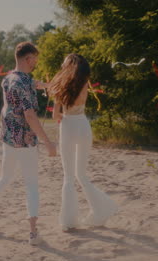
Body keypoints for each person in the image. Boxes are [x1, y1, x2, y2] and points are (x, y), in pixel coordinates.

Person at [0, 42, 56, 246]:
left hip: (8, 136)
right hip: (25, 139)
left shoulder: (9, 78)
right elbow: (29, 114)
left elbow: (30, 84)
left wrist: (45, 85)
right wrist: (48, 142)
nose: (35, 63)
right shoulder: (24, 82)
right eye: (35, 60)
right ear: (28, 59)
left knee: (5, 178)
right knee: (31, 185)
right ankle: (33, 233)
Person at [49, 53, 118, 232]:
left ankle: (70, 221)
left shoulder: (60, 85)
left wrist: (61, 115)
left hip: (68, 125)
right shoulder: (84, 82)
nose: (62, 65)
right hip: (83, 125)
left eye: (64, 62)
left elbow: (55, 115)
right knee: (82, 175)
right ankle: (101, 210)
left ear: (69, 64)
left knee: (69, 177)